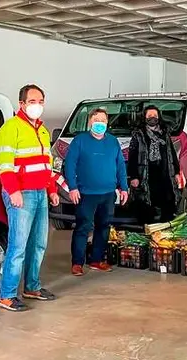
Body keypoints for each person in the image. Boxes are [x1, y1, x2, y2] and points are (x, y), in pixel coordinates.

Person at [0, 84, 60, 312]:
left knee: (39, 244)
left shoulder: (42, 130)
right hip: (21, 194)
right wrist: (13, 192)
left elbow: (47, 165)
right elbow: (4, 165)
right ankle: (7, 295)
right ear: (21, 104)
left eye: (41, 101)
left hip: (40, 192)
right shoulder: (10, 128)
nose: (37, 105)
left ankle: (32, 287)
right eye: (33, 101)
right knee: (18, 246)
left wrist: (51, 190)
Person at [65, 108, 128, 276]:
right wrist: (72, 187)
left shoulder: (113, 142)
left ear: (107, 123)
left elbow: (120, 166)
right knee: (83, 227)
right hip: (86, 193)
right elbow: (69, 165)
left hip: (108, 193)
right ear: (89, 122)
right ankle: (77, 262)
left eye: (103, 120)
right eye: (96, 120)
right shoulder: (79, 141)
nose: (99, 123)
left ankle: (96, 260)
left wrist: (124, 188)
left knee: (103, 227)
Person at [127, 106, 182, 225]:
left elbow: (171, 153)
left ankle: (164, 229)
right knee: (146, 204)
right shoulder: (139, 135)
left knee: (168, 202)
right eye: (149, 116)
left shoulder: (164, 133)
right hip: (146, 175)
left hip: (164, 174)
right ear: (144, 118)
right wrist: (133, 176)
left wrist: (177, 172)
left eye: (155, 116)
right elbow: (132, 157)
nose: (153, 118)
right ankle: (148, 229)